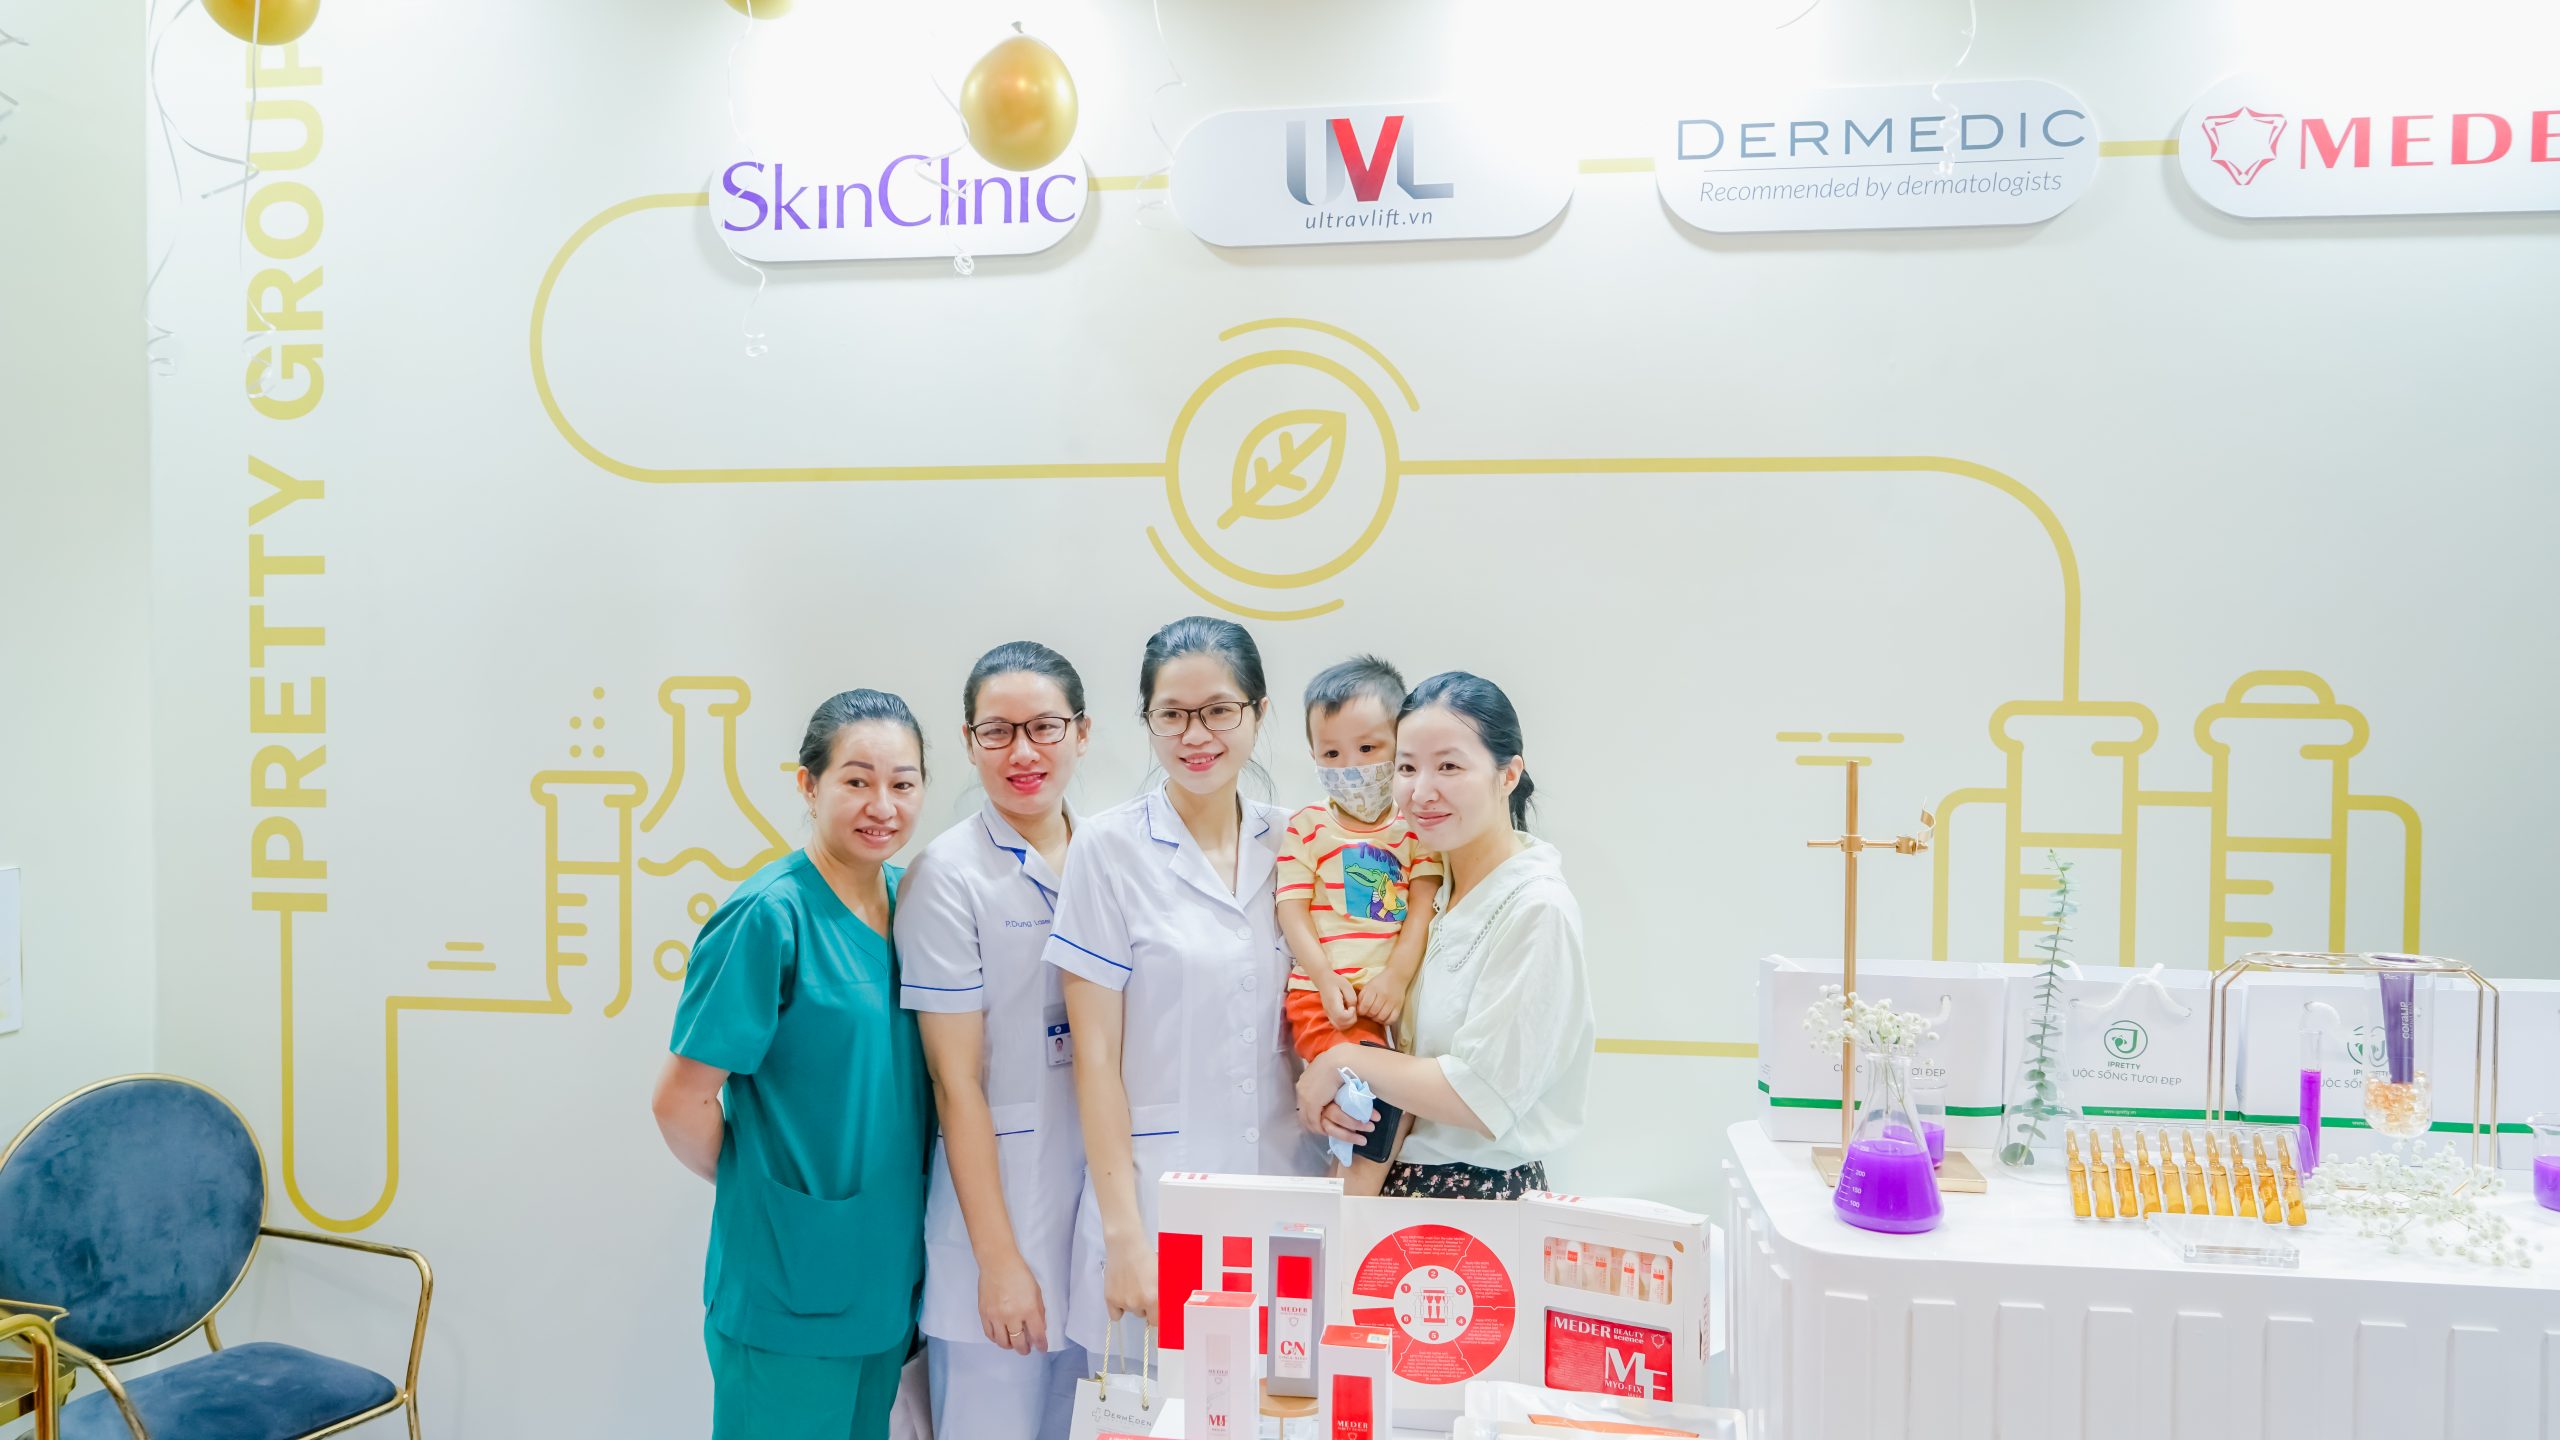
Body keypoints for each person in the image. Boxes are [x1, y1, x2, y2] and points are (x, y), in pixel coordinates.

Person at [651, 689, 933, 1440]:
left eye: (903, 783)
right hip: (787, 1281)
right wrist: (766, 1188)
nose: (882, 805)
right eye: (856, 780)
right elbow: (679, 1101)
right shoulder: (769, 915)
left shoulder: (915, 904)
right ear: (809, 785)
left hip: (886, 1277)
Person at [1044, 616, 1324, 1360]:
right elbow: (1095, 1060)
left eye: (1219, 711)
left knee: (1282, 1394)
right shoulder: (1108, 848)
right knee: (1156, 1394)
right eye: (1171, 715)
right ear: (1148, 721)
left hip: (1288, 1192)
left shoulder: (1301, 842)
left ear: (1259, 713)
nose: (1196, 735)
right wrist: (1124, 1238)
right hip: (1157, 1203)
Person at [1294, 672, 1593, 1200]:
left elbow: (1480, 1095)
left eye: (1449, 766)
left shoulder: (1536, 909)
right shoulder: (1425, 891)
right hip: (1392, 1189)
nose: (1421, 791)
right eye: (1407, 767)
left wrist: (1344, 1060)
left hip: (1474, 1199)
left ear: (1508, 774)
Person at [896, 643, 1093, 1440]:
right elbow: (956, 1085)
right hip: (999, 1229)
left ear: (1083, 733)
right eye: (997, 732)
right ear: (969, 742)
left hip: (1094, 1229)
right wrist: (999, 1262)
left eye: (1044, 727)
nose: (1022, 752)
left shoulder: (1111, 857)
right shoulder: (947, 875)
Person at [1277, 655, 1443, 1196]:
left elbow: (1422, 906)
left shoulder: (1415, 830)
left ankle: (1345, 1206)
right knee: (1378, 1097)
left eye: (1368, 749)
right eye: (1332, 753)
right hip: (1322, 999)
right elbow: (1291, 910)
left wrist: (1395, 978)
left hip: (1385, 1005)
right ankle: (1346, 1212)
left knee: (1378, 1106)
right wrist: (1325, 979)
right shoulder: (1307, 827)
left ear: (1399, 744)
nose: (1350, 766)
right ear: (1313, 755)